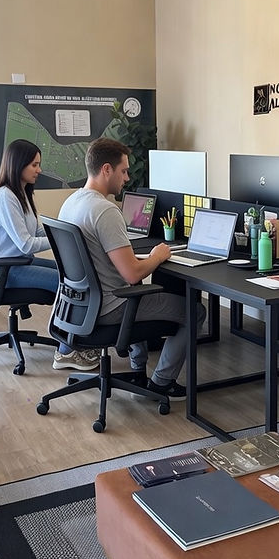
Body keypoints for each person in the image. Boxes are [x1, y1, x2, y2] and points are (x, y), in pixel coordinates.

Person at [57, 138, 206, 400]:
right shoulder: (105, 211)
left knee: (136, 290)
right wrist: (157, 255)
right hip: (109, 308)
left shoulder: (71, 203)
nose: (127, 178)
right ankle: (161, 383)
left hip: (79, 307)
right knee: (194, 311)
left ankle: (138, 370)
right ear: (106, 169)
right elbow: (132, 274)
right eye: (123, 170)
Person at [0, 138, 98, 372]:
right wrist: (65, 241)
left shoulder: (20, 193)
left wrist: (66, 229)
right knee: (69, 284)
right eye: (34, 165)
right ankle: (67, 351)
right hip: (3, 269)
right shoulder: (5, 197)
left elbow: (35, 230)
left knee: (73, 275)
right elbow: (26, 244)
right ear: (19, 165)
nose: (39, 170)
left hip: (18, 263)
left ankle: (77, 342)